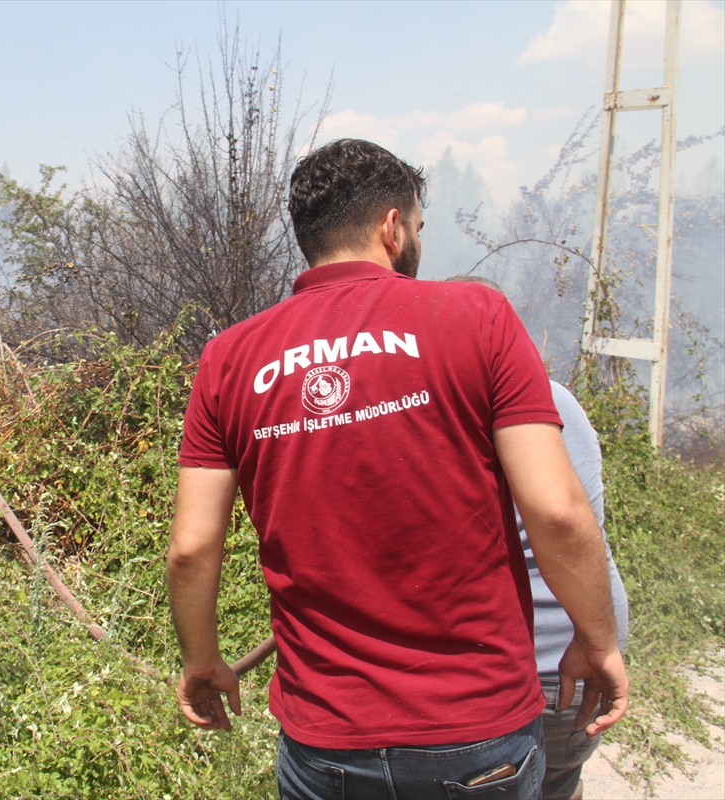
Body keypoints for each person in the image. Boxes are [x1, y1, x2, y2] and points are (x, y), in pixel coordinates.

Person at [166, 139, 629, 800]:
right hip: (477, 729)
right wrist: (596, 637)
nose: (415, 241)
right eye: (415, 226)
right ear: (391, 226)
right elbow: (557, 511)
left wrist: (202, 660)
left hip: (325, 738)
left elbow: (190, 549)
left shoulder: (230, 359)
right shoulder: (478, 318)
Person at [446, 275, 630, 800]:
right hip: (581, 652)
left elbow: (560, 518)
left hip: (521, 666)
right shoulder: (560, 400)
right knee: (556, 782)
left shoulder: (449, 410)